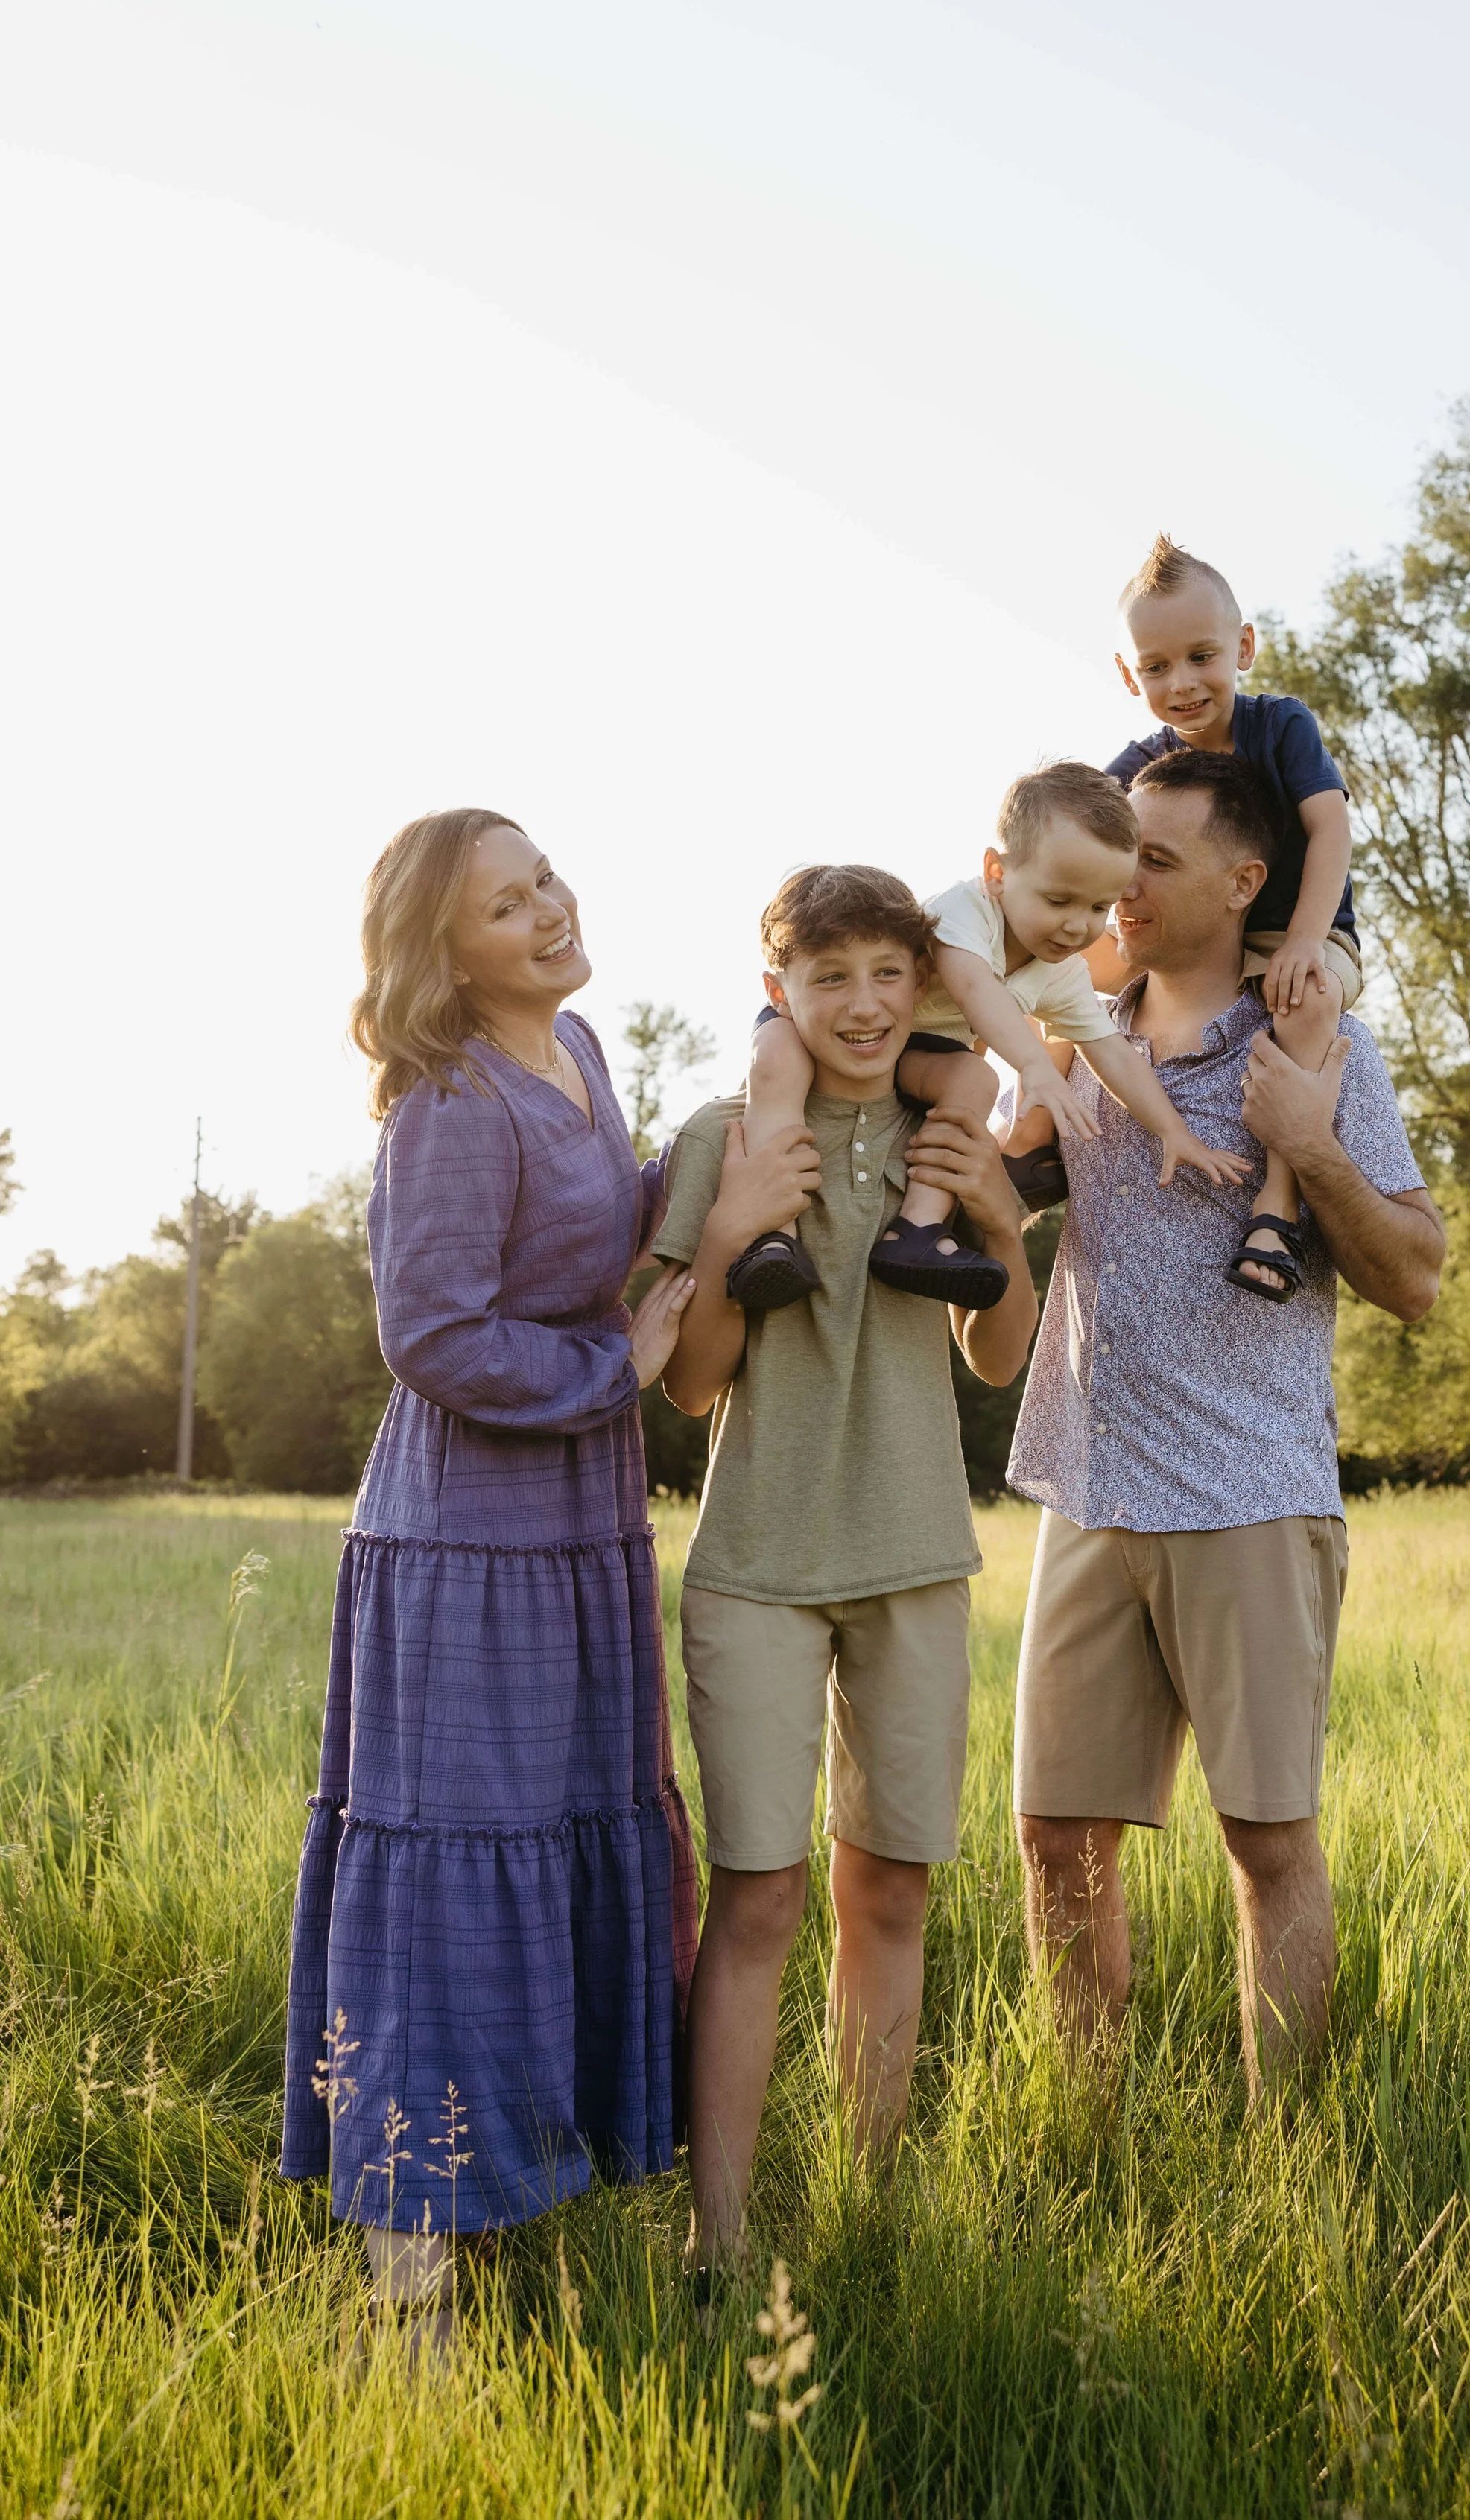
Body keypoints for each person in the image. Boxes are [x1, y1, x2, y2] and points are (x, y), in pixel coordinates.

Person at [279, 809, 718, 2349]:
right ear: (444, 959)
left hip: (578, 1535)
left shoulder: (580, 1052)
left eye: (544, 881)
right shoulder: (450, 1104)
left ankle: (514, 2203)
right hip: (466, 1547)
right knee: (451, 1896)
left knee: (556, 1854)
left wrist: (736, 1140)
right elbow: (434, 1334)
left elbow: (617, 1218)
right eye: (504, 906)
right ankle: (410, 2307)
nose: (547, 911)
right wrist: (628, 1359)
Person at [1007, 749, 1444, 2101]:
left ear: (1247, 881)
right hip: (1088, 1489)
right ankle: (1081, 2134)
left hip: (1251, 1491)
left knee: (1266, 1842)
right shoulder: (1075, 1028)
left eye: (1156, 860)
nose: (1123, 886)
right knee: (1056, 1840)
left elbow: (1417, 1277)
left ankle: (1287, 2164)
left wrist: (1308, 1146)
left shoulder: (1323, 1047)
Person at [650, 863, 1040, 2282]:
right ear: (781, 996)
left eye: (889, 975)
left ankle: (865, 2214)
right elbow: (693, 1388)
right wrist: (729, 1230)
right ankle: (723, 2237)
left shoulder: (953, 1129)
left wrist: (998, 1224)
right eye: (831, 981)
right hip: (754, 1568)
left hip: (917, 1561)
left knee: (892, 1895)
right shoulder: (724, 1137)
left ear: (923, 984)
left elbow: (997, 1360)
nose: (865, 1005)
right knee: (758, 1897)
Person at [727, 764, 1241, 1319]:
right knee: (777, 1060)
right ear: (996, 872)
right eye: (1059, 900)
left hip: (902, 1056)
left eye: (1099, 907)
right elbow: (974, 988)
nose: (1077, 927)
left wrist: (1171, 1130)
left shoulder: (1060, 971)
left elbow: (1111, 1051)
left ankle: (917, 1231)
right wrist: (1035, 1066)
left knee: (974, 1078)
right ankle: (772, 1237)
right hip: (826, 1028)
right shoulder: (964, 911)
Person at [1103, 534, 1360, 1304]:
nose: (1180, 683)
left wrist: (1310, 940)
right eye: (1155, 667)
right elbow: (1085, 836)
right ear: (1128, 674)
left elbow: (1330, 827)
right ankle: (1035, 1134)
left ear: (1243, 647)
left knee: (1306, 1000)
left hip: (1296, 929)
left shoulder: (1279, 726)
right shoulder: (1140, 764)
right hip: (1197, 934)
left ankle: (1276, 1205)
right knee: (1060, 982)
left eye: (1201, 657)